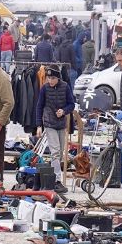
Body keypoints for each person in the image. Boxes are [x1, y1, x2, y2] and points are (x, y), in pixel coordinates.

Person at [35, 65, 75, 195]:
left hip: (61, 124)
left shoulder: (65, 87)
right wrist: (39, 125)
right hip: (49, 124)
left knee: (60, 152)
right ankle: (57, 180)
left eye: (52, 78)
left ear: (58, 78)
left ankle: (54, 179)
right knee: (55, 152)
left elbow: (71, 104)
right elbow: (39, 106)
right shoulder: (44, 88)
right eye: (48, 78)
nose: (50, 80)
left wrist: (64, 111)